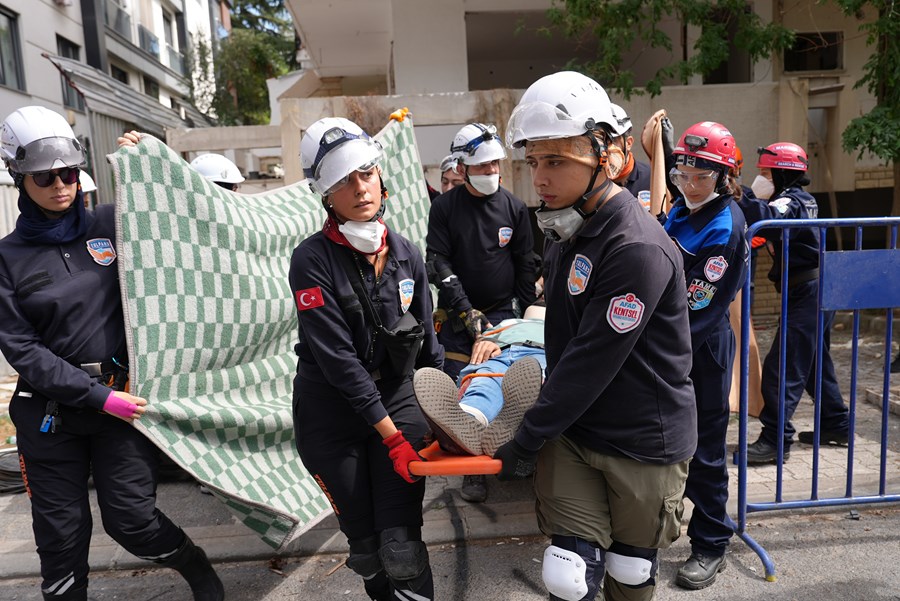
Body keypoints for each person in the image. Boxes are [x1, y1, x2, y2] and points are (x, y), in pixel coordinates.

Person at [0, 106, 224, 601]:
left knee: (133, 522)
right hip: (51, 414)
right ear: (19, 178)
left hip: (123, 403)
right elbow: (22, 348)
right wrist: (94, 397)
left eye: (68, 173)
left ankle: (194, 563)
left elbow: (192, 228)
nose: (61, 185)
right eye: (45, 177)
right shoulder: (6, 258)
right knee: (61, 534)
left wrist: (153, 163)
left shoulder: (116, 222)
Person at [494, 71, 697, 601]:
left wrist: (527, 436)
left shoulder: (636, 248)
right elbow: (567, 328)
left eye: (556, 160)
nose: (539, 177)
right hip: (576, 434)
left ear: (606, 155)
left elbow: (590, 360)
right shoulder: (566, 228)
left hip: (642, 441)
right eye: (534, 160)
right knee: (567, 574)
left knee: (630, 574)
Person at [291, 117, 444, 601]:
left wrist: (442, 413)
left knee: (402, 547)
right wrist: (392, 437)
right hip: (329, 412)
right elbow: (338, 361)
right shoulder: (310, 259)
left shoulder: (406, 254)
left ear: (381, 176)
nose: (359, 189)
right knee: (366, 551)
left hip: (397, 397)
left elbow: (428, 346)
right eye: (341, 181)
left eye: (365, 174)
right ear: (324, 195)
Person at [426, 122, 538, 503]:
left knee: (509, 379)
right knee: (464, 382)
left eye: (495, 165)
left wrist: (525, 310)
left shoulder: (515, 208)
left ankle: (514, 454)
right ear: (463, 167)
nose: (491, 172)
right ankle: (472, 469)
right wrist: (466, 311)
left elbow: (526, 260)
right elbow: (438, 260)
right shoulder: (444, 208)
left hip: (505, 313)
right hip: (459, 314)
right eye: (483, 166)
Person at [662, 122, 749, 589]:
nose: (690, 184)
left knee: (705, 453)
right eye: (684, 174)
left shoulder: (724, 227)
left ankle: (711, 542)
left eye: (701, 176)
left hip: (701, 348)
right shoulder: (682, 209)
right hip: (670, 344)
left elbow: (698, 304)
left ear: (724, 176)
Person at [738, 143, 850, 463]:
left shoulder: (792, 199)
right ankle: (835, 423)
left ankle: (775, 439)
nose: (762, 178)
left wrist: (746, 195)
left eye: (765, 173)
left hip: (809, 291)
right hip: (813, 289)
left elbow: (768, 216)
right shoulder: (795, 198)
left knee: (783, 365)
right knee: (813, 363)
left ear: (782, 172)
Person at [413, 303, 547, 457]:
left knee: (487, 383)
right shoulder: (506, 324)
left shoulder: (561, 325)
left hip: (537, 353)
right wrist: (485, 344)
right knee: (486, 383)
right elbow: (479, 343)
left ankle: (475, 418)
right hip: (502, 351)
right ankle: (468, 421)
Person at [609, 103, 652, 210]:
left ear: (628, 143)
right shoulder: (593, 182)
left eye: (613, 141)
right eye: (602, 141)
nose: (607, 148)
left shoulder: (650, 178)